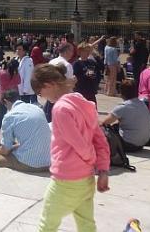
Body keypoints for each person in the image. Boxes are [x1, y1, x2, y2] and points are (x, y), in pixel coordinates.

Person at [31, 63, 110, 232]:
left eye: (40, 92)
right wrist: (102, 169)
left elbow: (80, 145)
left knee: (47, 224)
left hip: (66, 180)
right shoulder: (81, 101)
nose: (41, 96)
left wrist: (91, 159)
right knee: (86, 224)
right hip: (86, 179)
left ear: (50, 85)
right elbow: (99, 139)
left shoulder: (60, 109)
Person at [0, 89, 50, 172]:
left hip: (30, 164)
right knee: (13, 145)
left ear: (6, 101)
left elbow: (5, 151)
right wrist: (13, 147)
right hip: (48, 161)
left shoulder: (10, 116)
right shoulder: (37, 108)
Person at [101, 79, 150, 152]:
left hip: (128, 144)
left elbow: (105, 122)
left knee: (103, 129)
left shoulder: (123, 107)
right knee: (117, 125)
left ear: (121, 92)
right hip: (142, 143)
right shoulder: (143, 104)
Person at [0, 59, 21, 141]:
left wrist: (3, 67)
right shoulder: (16, 75)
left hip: (3, 97)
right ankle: (12, 138)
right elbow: (19, 82)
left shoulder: (2, 73)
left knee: (0, 117)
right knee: (14, 118)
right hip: (14, 98)